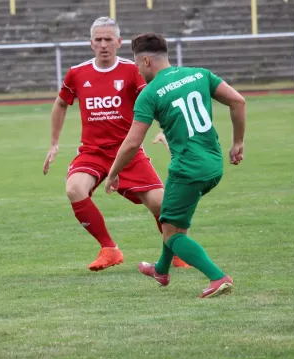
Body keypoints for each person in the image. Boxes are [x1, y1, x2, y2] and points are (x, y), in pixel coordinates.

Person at [105, 32, 247, 298]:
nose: (137, 70)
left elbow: (132, 143)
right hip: (213, 164)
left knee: (173, 235)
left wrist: (113, 173)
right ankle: (160, 269)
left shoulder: (150, 93)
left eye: (137, 65)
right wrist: (238, 143)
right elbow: (238, 101)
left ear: (146, 60)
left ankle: (218, 277)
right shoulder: (199, 74)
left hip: (187, 170)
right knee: (170, 217)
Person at [43, 17, 190, 271]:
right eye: (98, 40)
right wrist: (54, 143)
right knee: (74, 188)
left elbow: (156, 99)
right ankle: (109, 249)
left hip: (128, 152)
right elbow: (60, 104)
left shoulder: (132, 71)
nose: (103, 45)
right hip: (92, 152)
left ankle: (177, 251)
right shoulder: (77, 73)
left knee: (160, 203)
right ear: (91, 43)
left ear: (119, 42)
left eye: (108, 39)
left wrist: (164, 129)